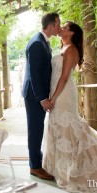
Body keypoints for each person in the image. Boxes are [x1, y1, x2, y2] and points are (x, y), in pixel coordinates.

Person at [42, 21, 97, 193]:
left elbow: (65, 77)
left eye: (65, 27)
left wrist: (53, 97)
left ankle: (75, 170)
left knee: (69, 126)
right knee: (58, 126)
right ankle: (59, 169)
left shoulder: (71, 49)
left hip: (63, 93)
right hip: (57, 89)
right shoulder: (62, 47)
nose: (62, 28)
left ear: (72, 33)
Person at [22, 12, 60, 180]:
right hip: (34, 95)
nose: (59, 28)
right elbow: (35, 75)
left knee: (37, 129)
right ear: (50, 26)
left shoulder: (43, 41)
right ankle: (35, 167)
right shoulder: (37, 43)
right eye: (58, 25)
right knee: (35, 130)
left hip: (38, 93)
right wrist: (43, 99)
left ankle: (36, 162)